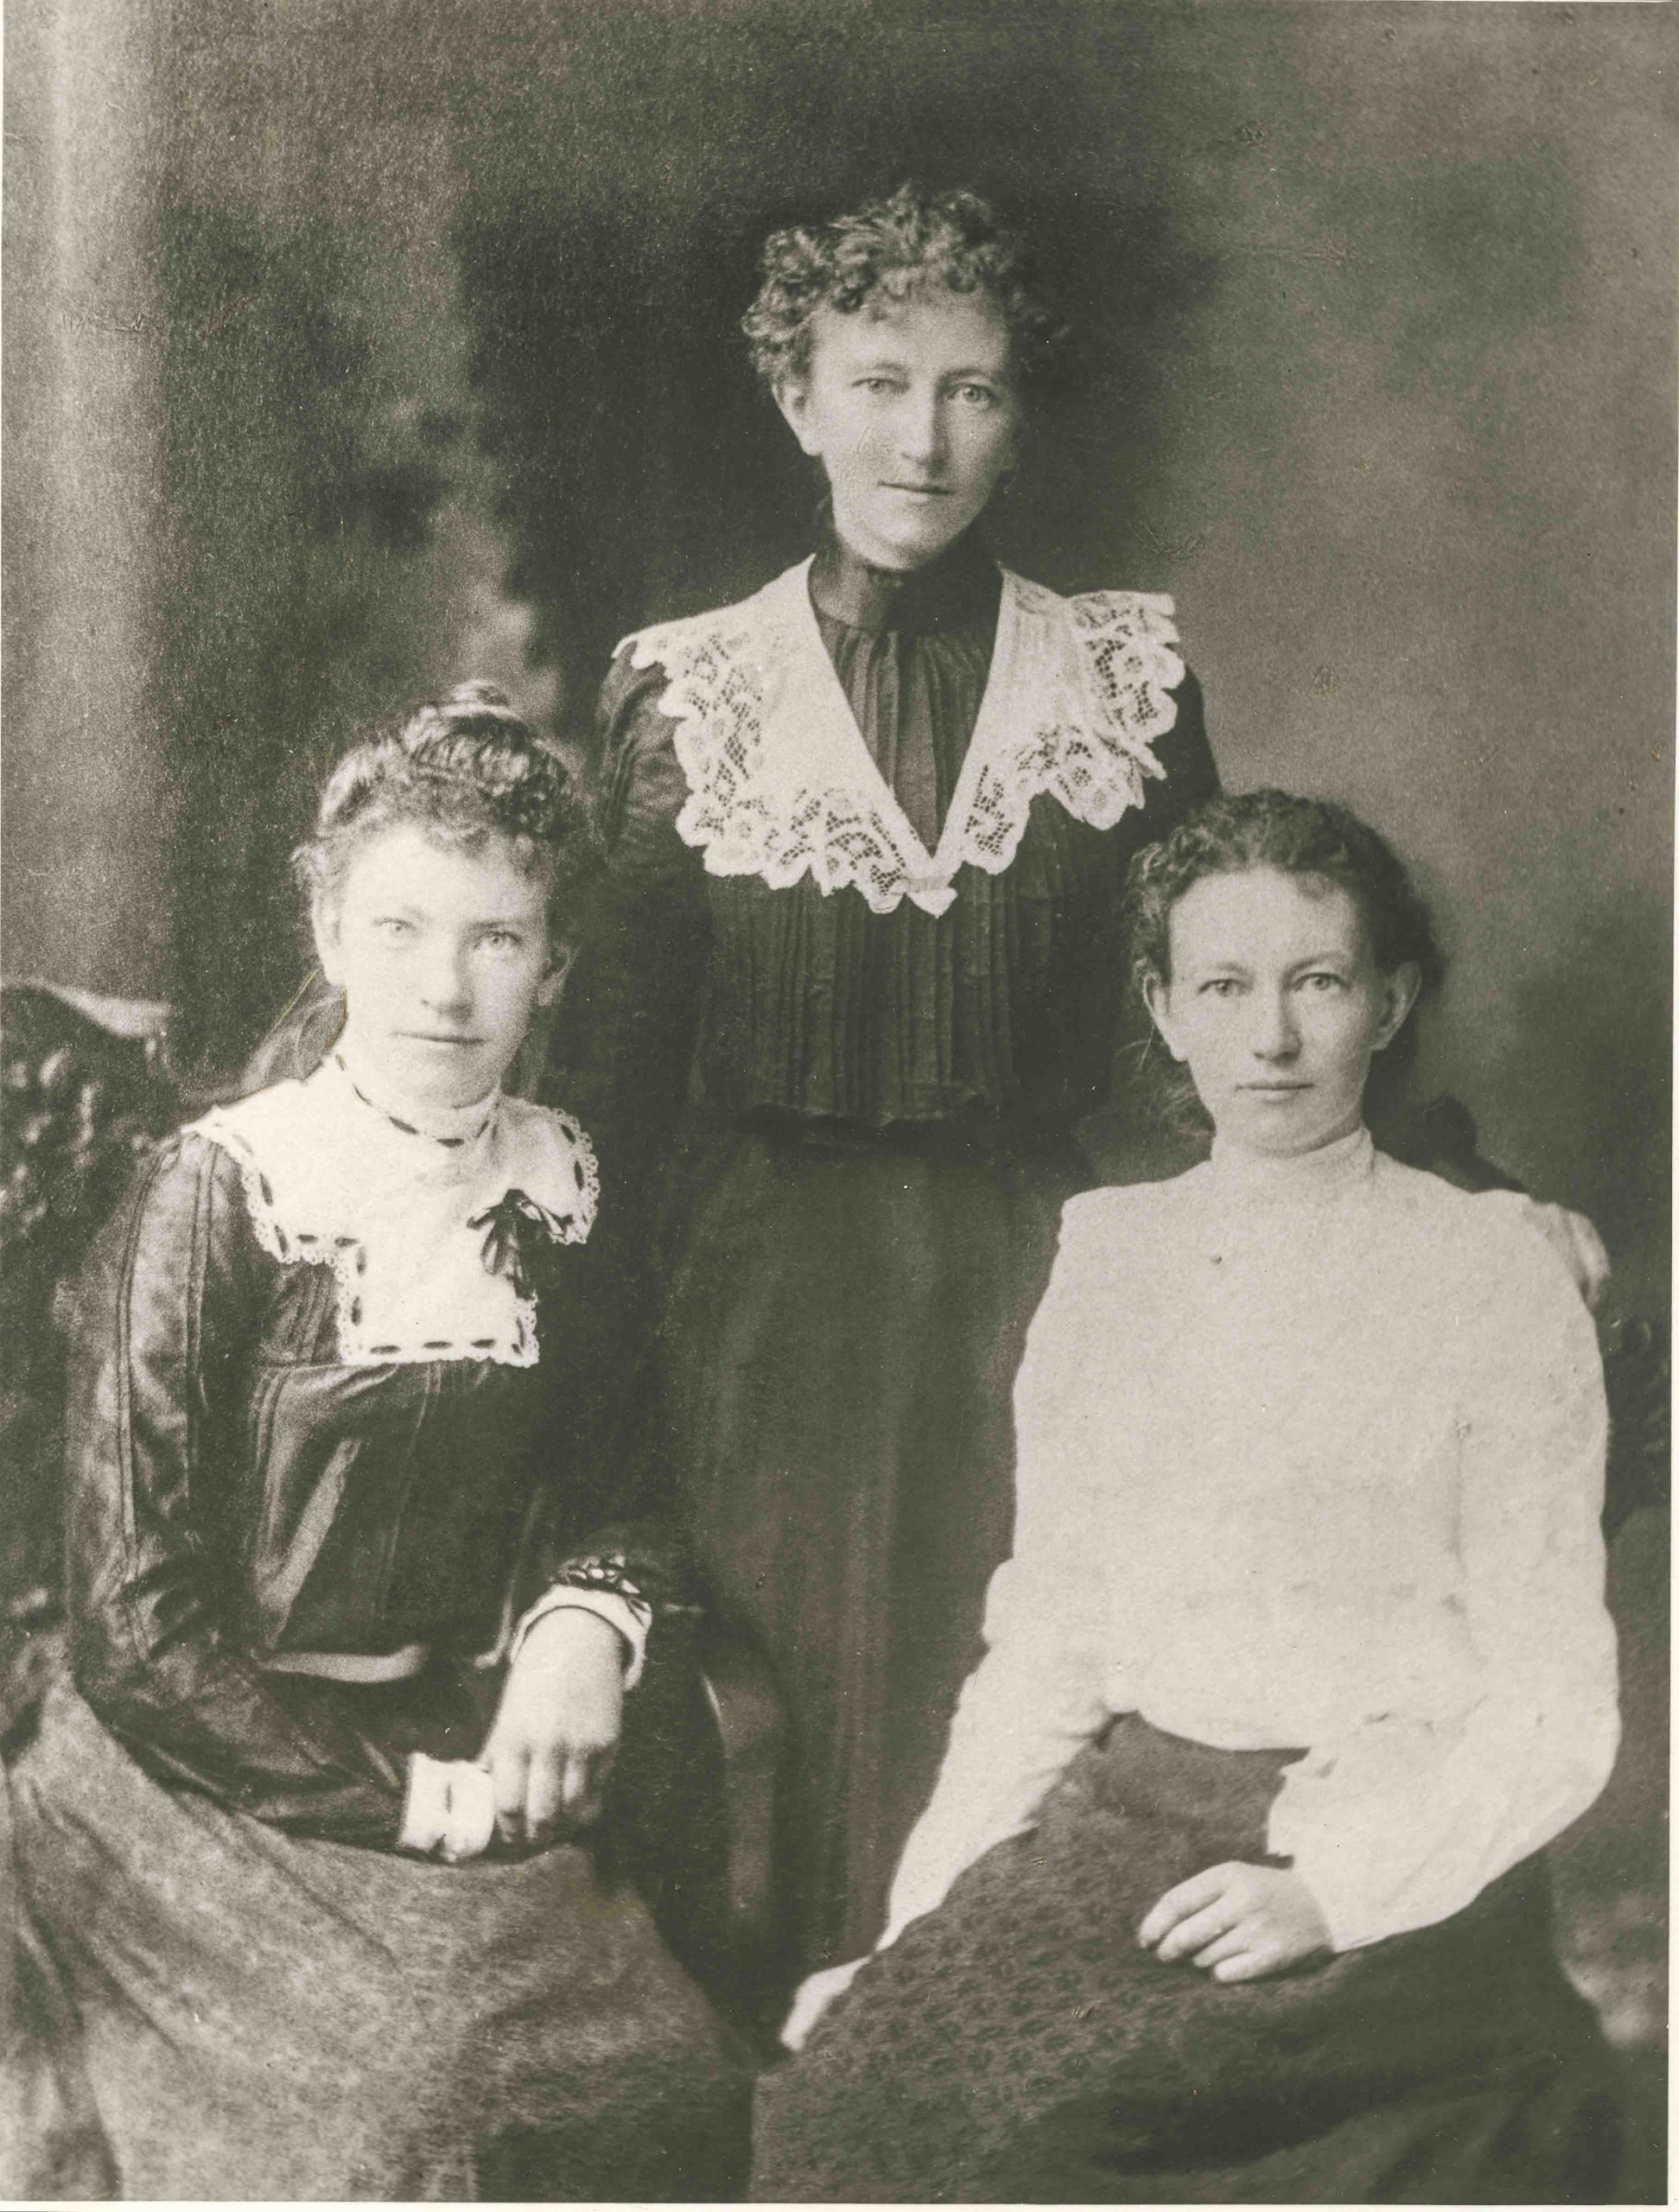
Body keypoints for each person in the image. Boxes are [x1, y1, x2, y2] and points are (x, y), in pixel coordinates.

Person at [752, 789, 1625, 2204]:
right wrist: (911, 1936)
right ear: (1164, 1011)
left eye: (1318, 982)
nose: (1271, 1038)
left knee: (1052, 2150)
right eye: (1224, 987)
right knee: (841, 2106)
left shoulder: (1489, 1272)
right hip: (1138, 1817)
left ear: (1391, 1003)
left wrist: (1336, 1894)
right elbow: (1050, 1651)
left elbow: (1554, 1704)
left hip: (1392, 1846)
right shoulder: (1115, 1260)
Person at [544, 183, 1222, 1982]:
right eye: (879, 382)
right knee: (780, 1758)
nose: (923, 438)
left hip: (1041, 1286)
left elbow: (1218, 1008)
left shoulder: (1124, 681)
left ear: (1018, 413)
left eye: (972, 389)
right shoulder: (690, 693)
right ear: (799, 399)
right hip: (763, 1309)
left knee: (1016, 1716)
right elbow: (609, 1090)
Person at [3, 686, 748, 2200]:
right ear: (330, 933)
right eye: (400, 930)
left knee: (667, 2070)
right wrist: (412, 1801)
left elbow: (624, 1481)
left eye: (497, 940)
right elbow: (135, 1628)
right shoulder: (219, 1191)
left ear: (555, 967)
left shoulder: (565, 1181)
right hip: (199, 1767)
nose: (445, 989)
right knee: (412, 2113)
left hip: (455, 1720)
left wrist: (583, 1626)